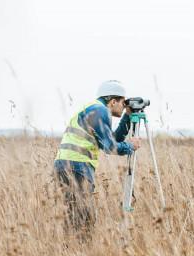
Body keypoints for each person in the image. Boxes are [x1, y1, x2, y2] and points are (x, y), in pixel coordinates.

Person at [54, 80, 141, 230]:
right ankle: (80, 250)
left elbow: (110, 140)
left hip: (66, 165)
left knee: (74, 216)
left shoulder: (94, 109)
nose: (124, 105)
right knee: (84, 219)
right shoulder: (100, 111)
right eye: (123, 102)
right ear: (113, 101)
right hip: (76, 167)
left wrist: (127, 117)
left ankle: (71, 250)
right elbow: (111, 147)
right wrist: (131, 146)